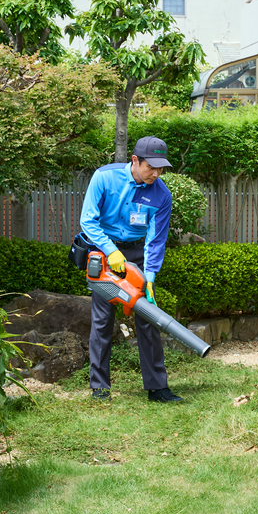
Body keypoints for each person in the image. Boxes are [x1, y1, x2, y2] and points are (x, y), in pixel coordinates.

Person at [79, 135, 180, 403]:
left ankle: (157, 388)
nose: (156, 174)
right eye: (151, 167)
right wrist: (110, 251)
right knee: (103, 319)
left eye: (161, 169)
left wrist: (150, 277)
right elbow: (88, 221)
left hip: (137, 254)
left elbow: (155, 240)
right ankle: (100, 388)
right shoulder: (105, 177)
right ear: (135, 160)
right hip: (104, 251)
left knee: (148, 317)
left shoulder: (161, 195)